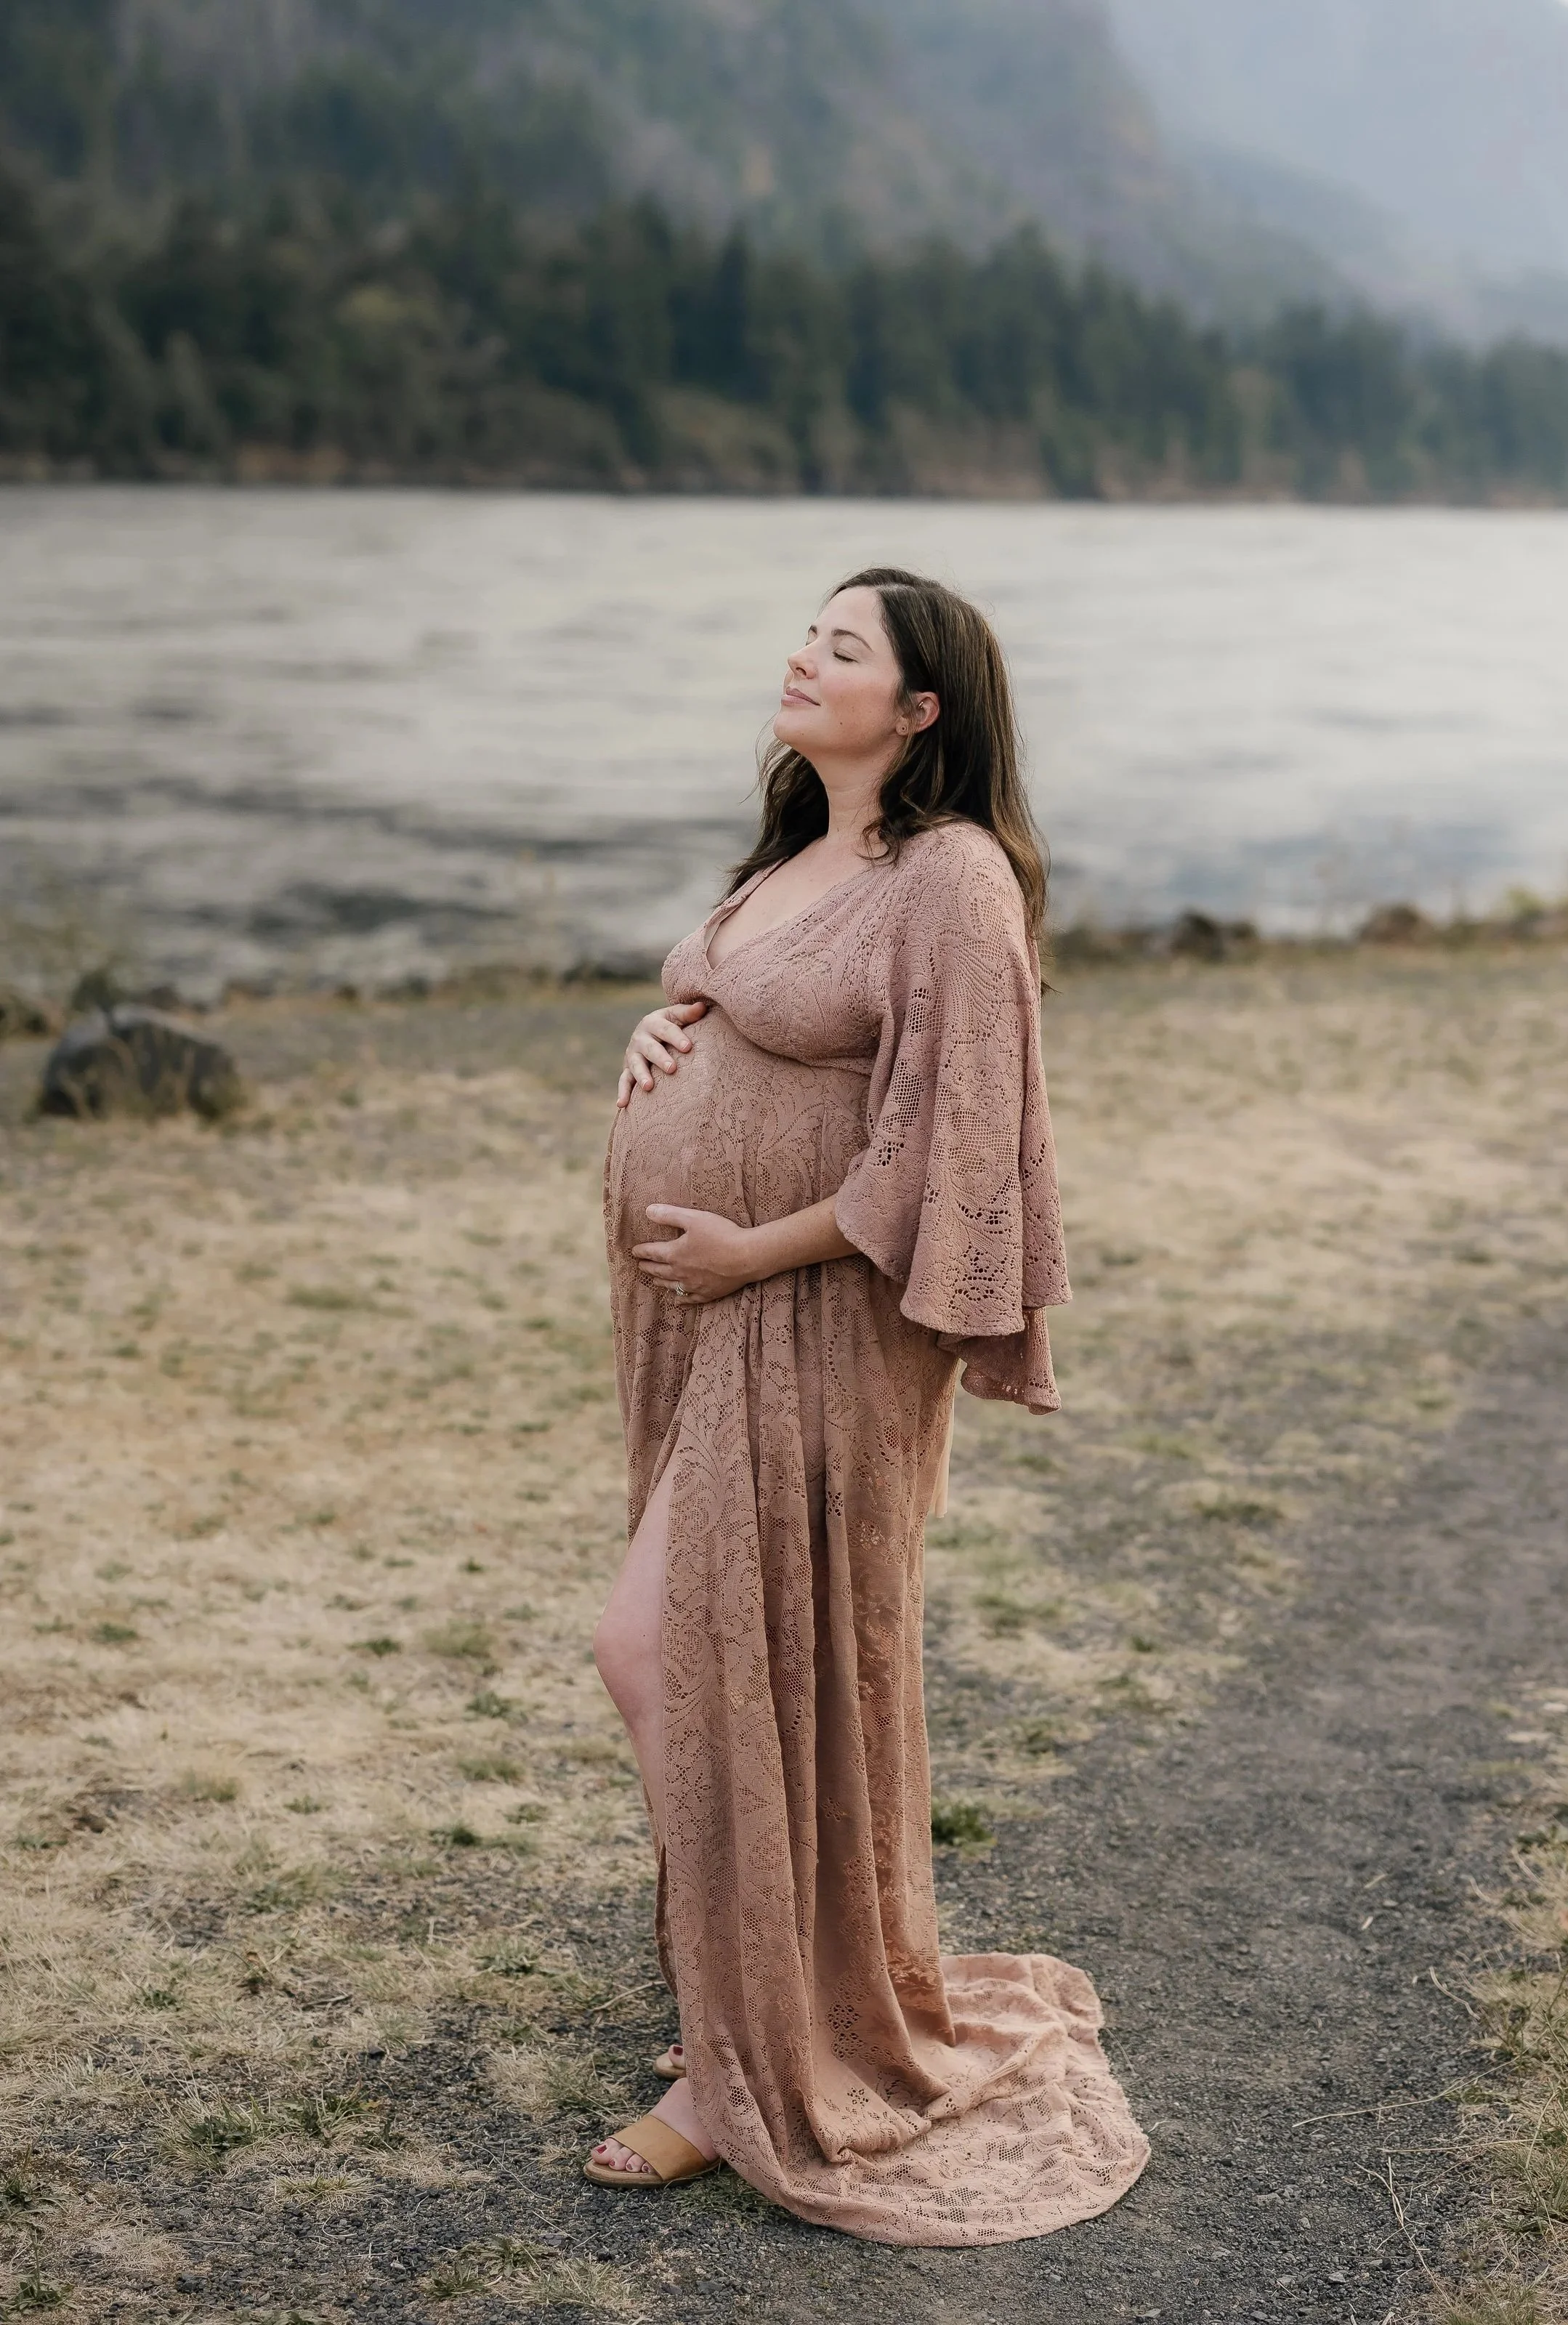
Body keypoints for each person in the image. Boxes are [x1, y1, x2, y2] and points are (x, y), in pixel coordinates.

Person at [584, 567, 1149, 2242]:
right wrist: (658, 1023)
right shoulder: (800, 858)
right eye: (807, 630)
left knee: (678, 1649)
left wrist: (757, 1243)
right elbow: (739, 1005)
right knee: (722, 1658)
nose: (803, 653)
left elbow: (945, 1143)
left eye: (845, 647)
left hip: (823, 1320)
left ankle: (750, 2053)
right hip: (717, 1327)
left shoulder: (954, 877)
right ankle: (767, 1998)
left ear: (920, 711)